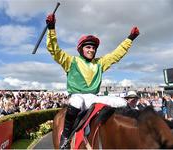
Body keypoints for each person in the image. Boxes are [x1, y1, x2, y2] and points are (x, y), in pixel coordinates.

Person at [46, 13, 140, 149]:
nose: (91, 50)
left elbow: (116, 54)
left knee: (122, 102)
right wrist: (51, 28)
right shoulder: (70, 61)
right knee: (76, 102)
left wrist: (130, 38)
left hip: (94, 97)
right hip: (77, 96)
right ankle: (65, 137)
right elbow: (54, 49)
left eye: (93, 48)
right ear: (81, 49)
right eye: (88, 47)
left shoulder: (100, 63)